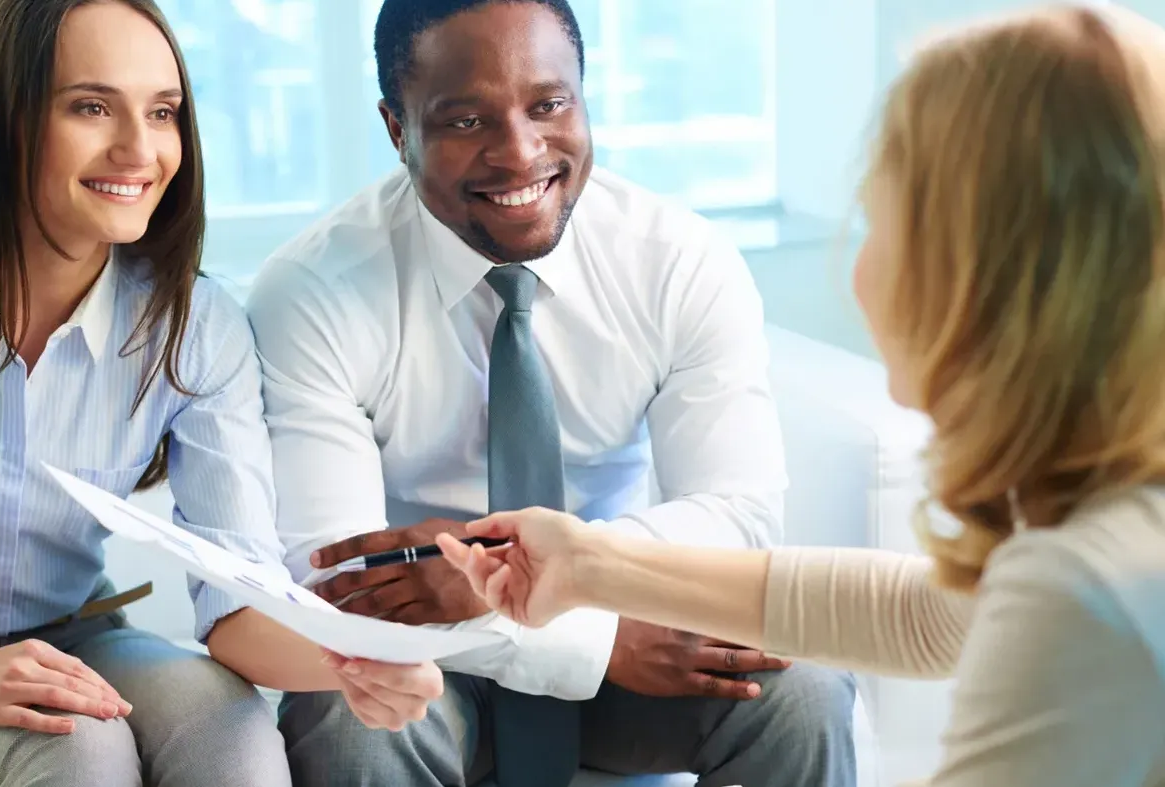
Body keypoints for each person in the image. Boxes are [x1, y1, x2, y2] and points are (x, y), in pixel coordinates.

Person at [438, 4, 1165, 786]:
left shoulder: (1087, 600)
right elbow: (928, 615)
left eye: (880, 223)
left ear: (983, 275)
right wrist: (588, 564)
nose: (858, 272)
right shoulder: (1106, 529)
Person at [0, 2, 441, 786]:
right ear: (8, 119)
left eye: (162, 114)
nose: (140, 149)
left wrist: (357, 660)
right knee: (75, 748)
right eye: (91, 107)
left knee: (237, 736)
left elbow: (238, 603)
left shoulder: (195, 323)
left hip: (78, 637)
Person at [243, 0, 857, 785]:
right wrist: (580, 631)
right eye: (466, 121)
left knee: (804, 690)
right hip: (429, 663)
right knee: (345, 711)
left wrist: (497, 584)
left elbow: (738, 517)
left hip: (622, 635)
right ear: (398, 129)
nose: (521, 152)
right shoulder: (312, 291)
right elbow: (343, 586)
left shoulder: (679, 262)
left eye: (549, 105)